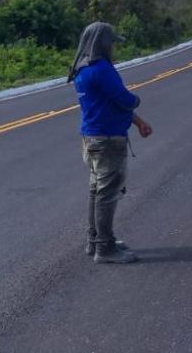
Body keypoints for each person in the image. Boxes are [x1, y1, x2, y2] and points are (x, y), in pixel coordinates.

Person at [68, 22, 153, 265]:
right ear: (103, 43)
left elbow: (108, 104)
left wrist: (138, 122)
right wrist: (136, 100)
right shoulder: (102, 69)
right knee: (107, 194)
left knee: (97, 191)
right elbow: (124, 99)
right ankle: (105, 248)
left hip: (92, 138)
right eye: (112, 42)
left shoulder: (81, 69)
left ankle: (95, 240)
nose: (113, 47)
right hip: (107, 141)